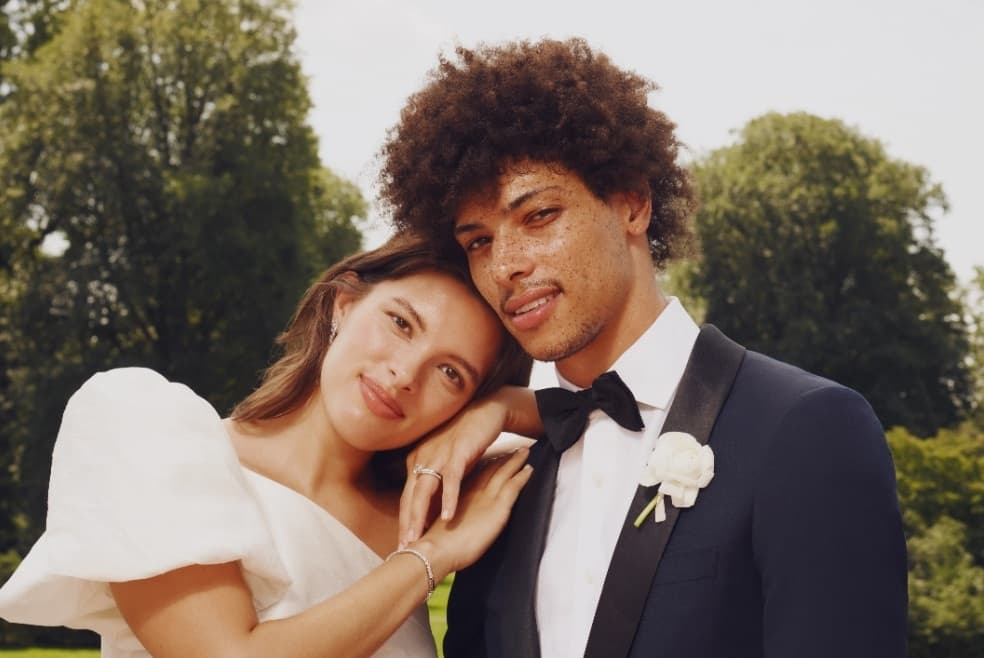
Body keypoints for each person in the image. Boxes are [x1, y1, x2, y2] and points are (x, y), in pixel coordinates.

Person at [381, 39, 909, 658]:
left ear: (632, 202)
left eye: (540, 215)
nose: (506, 266)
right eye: (477, 241)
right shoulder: (500, 477)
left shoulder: (807, 428)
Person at [0, 233, 536, 658]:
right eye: (400, 323)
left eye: (450, 373)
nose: (404, 374)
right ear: (343, 307)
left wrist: (502, 407)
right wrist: (427, 559)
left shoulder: (431, 505)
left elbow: (600, 420)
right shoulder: (154, 437)